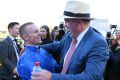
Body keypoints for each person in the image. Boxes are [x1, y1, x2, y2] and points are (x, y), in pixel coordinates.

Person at [31, 1, 109, 80]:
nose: (64, 24)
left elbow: (90, 77)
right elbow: (59, 45)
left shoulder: (98, 43)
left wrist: (52, 77)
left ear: (78, 22)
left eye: (67, 20)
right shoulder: (70, 34)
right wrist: (36, 47)